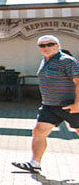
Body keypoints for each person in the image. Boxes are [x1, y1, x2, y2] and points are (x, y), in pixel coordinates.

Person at [13, 35, 79, 174]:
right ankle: (35, 163)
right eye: (42, 45)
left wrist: (78, 103)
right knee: (39, 131)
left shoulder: (67, 61)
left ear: (58, 45)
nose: (46, 47)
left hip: (70, 105)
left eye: (50, 44)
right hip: (50, 106)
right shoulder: (45, 60)